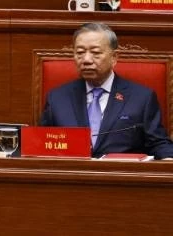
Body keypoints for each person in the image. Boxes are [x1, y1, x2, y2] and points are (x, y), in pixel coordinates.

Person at [40, 22, 173, 159]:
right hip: (71, 176)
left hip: (121, 176)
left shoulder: (142, 98)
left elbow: (158, 143)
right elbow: (41, 145)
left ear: (114, 57)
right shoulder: (57, 98)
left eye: (95, 53)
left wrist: (169, 159)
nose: (86, 60)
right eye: (79, 52)